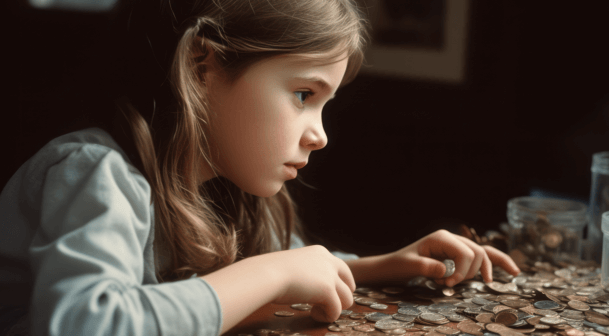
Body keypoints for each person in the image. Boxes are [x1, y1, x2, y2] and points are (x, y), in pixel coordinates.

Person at [0, 0, 521, 335]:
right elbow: (84, 324)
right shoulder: (94, 172)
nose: (320, 134)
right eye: (302, 94)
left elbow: (286, 276)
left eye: (325, 104)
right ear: (202, 67)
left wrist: (382, 266)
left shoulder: (225, 186)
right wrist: (272, 272)